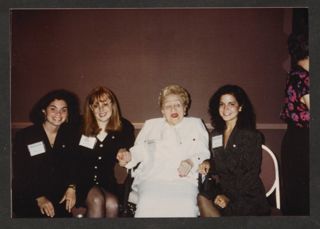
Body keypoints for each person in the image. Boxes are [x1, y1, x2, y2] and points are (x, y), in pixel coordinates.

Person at [117, 84, 210, 217]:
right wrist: (129, 156)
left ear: (185, 108)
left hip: (184, 180)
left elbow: (203, 153)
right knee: (147, 203)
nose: (173, 109)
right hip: (153, 179)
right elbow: (139, 151)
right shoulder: (151, 126)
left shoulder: (195, 125)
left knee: (186, 204)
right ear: (162, 110)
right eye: (168, 106)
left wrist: (191, 161)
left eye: (177, 105)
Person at [197, 85, 270, 216]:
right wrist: (208, 163)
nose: (225, 109)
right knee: (202, 197)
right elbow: (218, 162)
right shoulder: (216, 134)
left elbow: (250, 175)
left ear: (240, 107)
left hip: (247, 197)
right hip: (223, 192)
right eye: (222, 104)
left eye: (231, 103)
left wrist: (229, 197)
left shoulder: (251, 135)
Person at [12, 89, 81, 218]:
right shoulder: (26, 136)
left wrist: (72, 187)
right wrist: (39, 197)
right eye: (53, 109)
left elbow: (74, 165)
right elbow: (21, 173)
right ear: (44, 111)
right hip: (29, 194)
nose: (58, 114)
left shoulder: (70, 136)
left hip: (58, 195)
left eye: (63, 110)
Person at [75, 86, 135, 218]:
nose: (101, 109)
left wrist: (125, 155)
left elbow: (127, 152)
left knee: (113, 204)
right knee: (97, 200)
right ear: (91, 108)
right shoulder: (79, 125)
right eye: (96, 105)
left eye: (105, 104)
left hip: (106, 182)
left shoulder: (124, 127)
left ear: (113, 105)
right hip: (80, 181)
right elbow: (68, 158)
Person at [280, 32, 310, 215]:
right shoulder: (305, 78)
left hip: (296, 140)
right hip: (303, 143)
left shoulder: (296, 75)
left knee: (299, 199)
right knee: (304, 201)